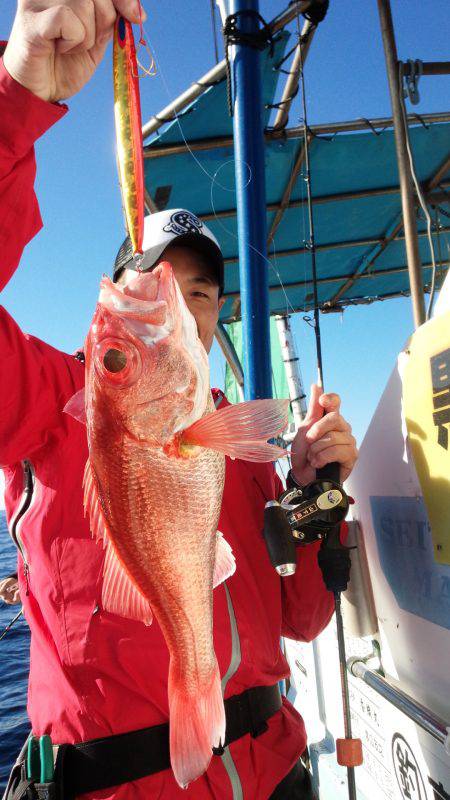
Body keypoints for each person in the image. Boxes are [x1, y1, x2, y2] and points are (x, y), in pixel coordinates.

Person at [0, 1, 358, 798]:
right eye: (155, 278)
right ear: (112, 297)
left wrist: (315, 498)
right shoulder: (50, 401)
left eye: (201, 291)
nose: (183, 301)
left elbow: (299, 618)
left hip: (274, 772)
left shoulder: (247, 449)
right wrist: (17, 95)